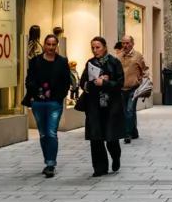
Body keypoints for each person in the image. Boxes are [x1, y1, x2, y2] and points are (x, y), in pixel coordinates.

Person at [23, 34, 72, 177]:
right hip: (38, 102)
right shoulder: (35, 61)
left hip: (53, 103)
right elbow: (29, 80)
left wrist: (58, 98)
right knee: (43, 134)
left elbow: (65, 83)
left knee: (51, 132)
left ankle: (51, 163)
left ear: (57, 46)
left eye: (53, 45)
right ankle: (47, 160)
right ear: (44, 45)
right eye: (48, 44)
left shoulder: (62, 62)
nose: (51, 47)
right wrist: (33, 96)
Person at [80, 37, 125, 175]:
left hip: (111, 105)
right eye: (93, 48)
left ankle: (116, 157)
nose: (95, 50)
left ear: (105, 47)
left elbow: (120, 83)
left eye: (98, 47)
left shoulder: (114, 62)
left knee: (111, 138)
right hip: (94, 105)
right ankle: (99, 168)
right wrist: (93, 83)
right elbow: (83, 83)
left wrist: (105, 83)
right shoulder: (90, 63)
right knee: (96, 137)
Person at [117, 35, 148, 145]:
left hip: (133, 89)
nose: (125, 45)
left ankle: (127, 134)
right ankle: (134, 132)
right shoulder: (118, 57)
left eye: (127, 43)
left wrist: (144, 83)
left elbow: (145, 70)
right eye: (123, 43)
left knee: (129, 111)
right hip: (121, 89)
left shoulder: (138, 56)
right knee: (127, 112)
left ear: (132, 44)